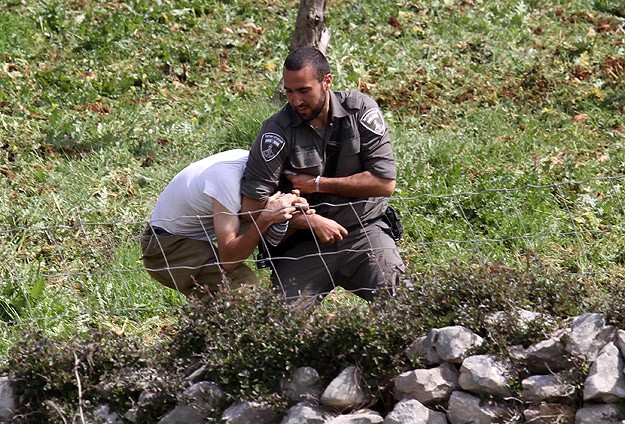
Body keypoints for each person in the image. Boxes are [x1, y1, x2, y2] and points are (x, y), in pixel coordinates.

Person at [241, 46, 405, 309]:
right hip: (303, 245)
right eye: (289, 91)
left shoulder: (360, 111)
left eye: (304, 90)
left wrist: (317, 184)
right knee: (278, 326)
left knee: (402, 306)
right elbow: (251, 207)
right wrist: (310, 220)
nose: (296, 101)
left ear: (327, 81)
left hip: (365, 231)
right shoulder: (276, 131)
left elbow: (384, 183)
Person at [141, 149, 308, 297]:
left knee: (221, 301)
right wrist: (266, 218)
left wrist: (305, 217)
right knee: (241, 285)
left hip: (185, 238)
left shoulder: (254, 166)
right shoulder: (227, 182)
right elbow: (229, 260)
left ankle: (209, 328)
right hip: (165, 248)